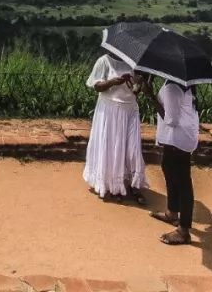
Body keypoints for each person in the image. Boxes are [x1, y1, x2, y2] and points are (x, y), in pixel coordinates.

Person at [141, 77, 200, 245]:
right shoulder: (180, 83)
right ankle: (172, 212)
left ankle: (183, 230)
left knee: (182, 181)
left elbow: (171, 120)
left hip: (178, 137)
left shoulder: (173, 87)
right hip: (179, 136)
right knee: (168, 167)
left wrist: (151, 96)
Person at [83, 51, 148, 203]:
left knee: (133, 150)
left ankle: (134, 184)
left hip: (130, 110)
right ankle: (114, 186)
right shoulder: (104, 61)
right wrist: (113, 82)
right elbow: (97, 86)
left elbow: (137, 91)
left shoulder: (134, 63)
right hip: (110, 110)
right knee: (113, 149)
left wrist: (137, 85)